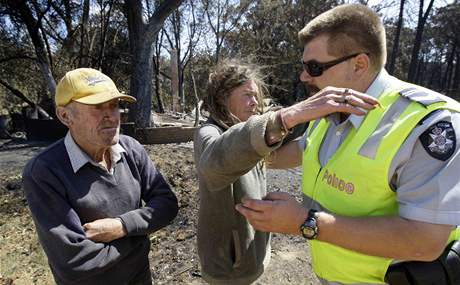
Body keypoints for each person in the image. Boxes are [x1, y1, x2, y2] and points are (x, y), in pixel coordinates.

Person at [235, 4, 460, 285]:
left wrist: (304, 222)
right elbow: (296, 152)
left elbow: (424, 241)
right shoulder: (330, 107)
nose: (305, 76)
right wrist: (235, 150)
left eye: (315, 67)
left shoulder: (429, 124)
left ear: (359, 65)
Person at [194, 59, 378, 284]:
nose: (254, 102)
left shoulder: (248, 126)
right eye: (247, 95)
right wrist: (285, 118)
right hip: (227, 265)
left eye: (256, 95)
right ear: (223, 98)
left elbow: (293, 144)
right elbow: (215, 160)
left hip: (250, 257)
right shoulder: (208, 132)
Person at [22, 68, 179, 285]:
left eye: (114, 105)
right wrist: (140, 235)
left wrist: (121, 226)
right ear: (65, 116)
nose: (111, 116)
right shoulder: (44, 172)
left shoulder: (131, 149)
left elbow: (167, 204)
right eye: (97, 107)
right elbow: (75, 261)